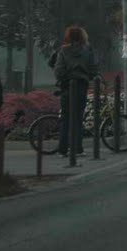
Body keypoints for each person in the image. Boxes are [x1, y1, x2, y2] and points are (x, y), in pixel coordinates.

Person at [53, 26, 99, 156]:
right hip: (81, 86)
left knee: (66, 118)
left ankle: (63, 149)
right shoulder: (87, 51)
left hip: (67, 87)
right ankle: (77, 148)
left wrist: (65, 78)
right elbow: (92, 69)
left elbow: (58, 71)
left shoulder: (63, 51)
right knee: (78, 118)